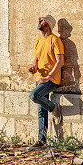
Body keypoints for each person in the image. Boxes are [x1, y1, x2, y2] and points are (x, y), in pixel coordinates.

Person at [27, 14, 64, 148]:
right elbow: (36, 61)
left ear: (48, 23)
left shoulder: (55, 40)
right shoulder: (38, 41)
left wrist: (48, 76)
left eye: (42, 20)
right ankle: (41, 141)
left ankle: (54, 108)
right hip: (40, 78)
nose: (39, 21)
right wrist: (33, 68)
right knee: (41, 110)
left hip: (51, 79)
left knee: (34, 95)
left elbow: (60, 62)